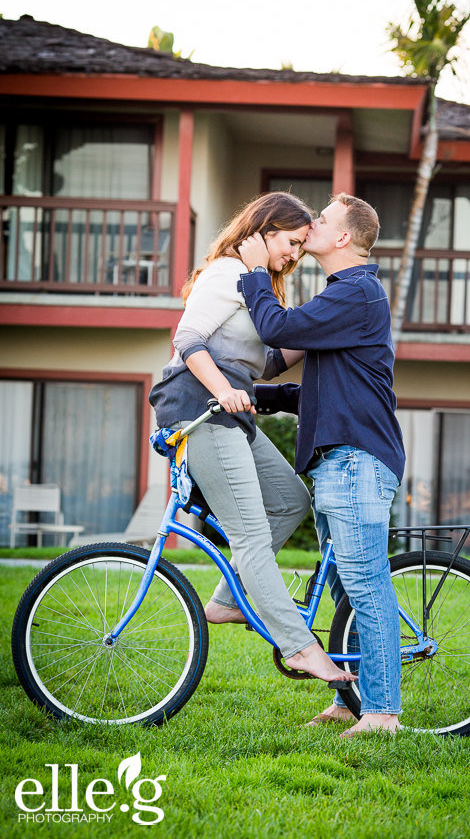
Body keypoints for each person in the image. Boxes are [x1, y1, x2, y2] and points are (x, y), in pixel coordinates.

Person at [149, 192, 357, 685]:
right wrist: (223, 390)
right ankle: (301, 648)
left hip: (231, 414)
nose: (295, 254)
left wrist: (319, 331)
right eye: (291, 242)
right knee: (250, 537)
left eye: (301, 246)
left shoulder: (256, 282)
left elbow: (261, 364)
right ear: (264, 231)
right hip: (199, 409)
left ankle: (226, 602)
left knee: (290, 500)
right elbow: (187, 340)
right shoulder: (226, 273)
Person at [238, 193, 405, 737]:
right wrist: (251, 394)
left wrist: (255, 274)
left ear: (343, 238)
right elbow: (323, 389)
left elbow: (278, 329)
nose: (311, 223)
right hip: (340, 460)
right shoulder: (344, 296)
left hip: (357, 459)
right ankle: (350, 701)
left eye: (323, 219)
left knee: (365, 586)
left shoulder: (357, 292)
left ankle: (382, 714)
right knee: (346, 592)